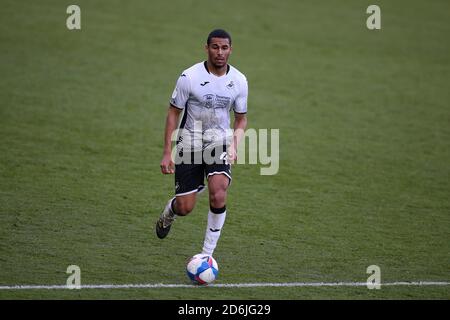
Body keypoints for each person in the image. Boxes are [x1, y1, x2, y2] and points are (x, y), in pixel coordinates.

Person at [156, 29, 248, 257]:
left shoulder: (239, 80)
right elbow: (173, 113)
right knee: (185, 207)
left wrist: (234, 145)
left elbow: (241, 118)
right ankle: (170, 211)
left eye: (224, 48)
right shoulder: (189, 77)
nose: (220, 52)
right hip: (190, 143)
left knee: (218, 192)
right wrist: (167, 152)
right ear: (206, 48)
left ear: (231, 50)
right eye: (215, 47)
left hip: (219, 142)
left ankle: (207, 254)